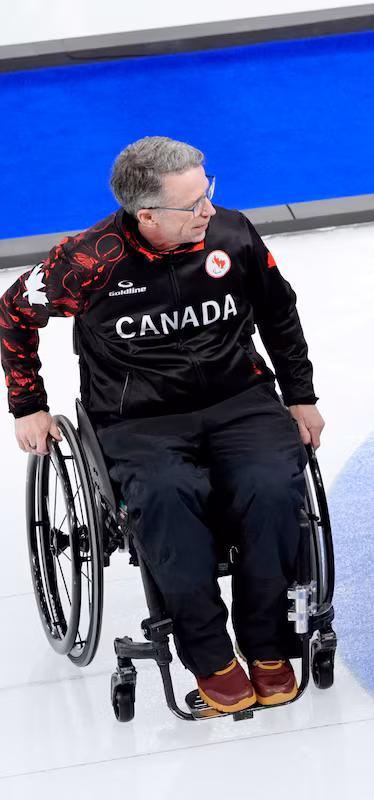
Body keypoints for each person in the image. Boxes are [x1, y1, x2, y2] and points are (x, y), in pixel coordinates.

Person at [0, 136, 325, 713]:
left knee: (276, 487)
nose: (209, 209)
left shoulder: (231, 233)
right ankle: (211, 656)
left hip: (238, 398)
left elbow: (279, 311)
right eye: (193, 203)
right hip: (138, 416)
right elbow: (12, 311)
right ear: (146, 214)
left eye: (209, 191)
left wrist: (300, 395)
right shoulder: (88, 261)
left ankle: (267, 644)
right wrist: (28, 403)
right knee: (167, 499)